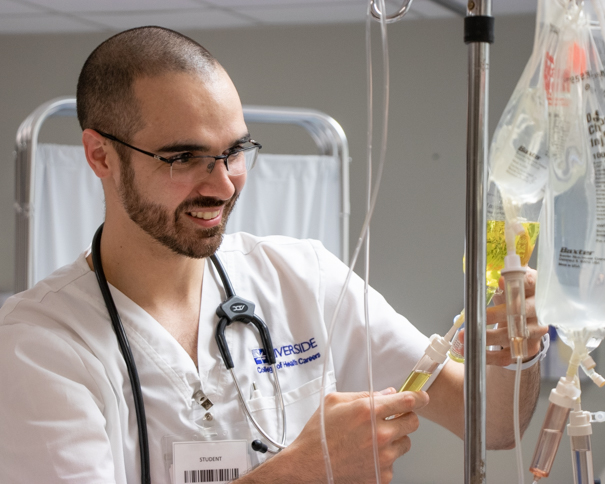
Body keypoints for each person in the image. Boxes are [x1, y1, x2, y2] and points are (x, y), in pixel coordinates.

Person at [0, 26, 548, 483]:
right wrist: (302, 470)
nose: (221, 185)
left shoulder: (301, 278)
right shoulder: (38, 345)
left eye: (234, 151)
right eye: (185, 157)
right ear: (100, 155)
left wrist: (519, 351)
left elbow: (493, 423)